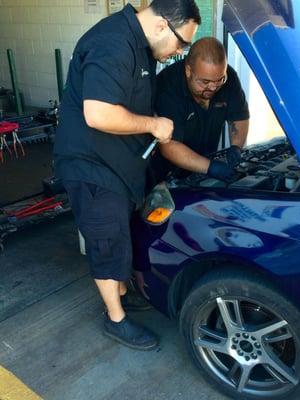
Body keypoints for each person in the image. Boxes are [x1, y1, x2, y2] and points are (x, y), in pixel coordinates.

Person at [53, 0, 201, 350]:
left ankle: (119, 291)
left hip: (119, 163)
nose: (180, 52)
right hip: (91, 165)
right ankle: (115, 319)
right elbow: (99, 114)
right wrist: (153, 124)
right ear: (163, 25)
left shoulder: (142, 44)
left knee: (122, 233)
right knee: (107, 239)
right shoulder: (113, 43)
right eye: (182, 43)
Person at [153, 37, 250, 182]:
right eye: (205, 82)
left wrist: (236, 147)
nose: (213, 87)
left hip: (204, 167)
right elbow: (169, 145)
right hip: (166, 175)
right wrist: (210, 167)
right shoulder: (168, 86)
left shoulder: (229, 78)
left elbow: (239, 117)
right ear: (188, 71)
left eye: (219, 80)